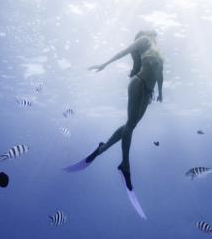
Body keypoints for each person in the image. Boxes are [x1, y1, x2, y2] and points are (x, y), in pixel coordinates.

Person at [64, 30, 164, 219]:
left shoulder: (158, 50)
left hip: (149, 92)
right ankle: (125, 165)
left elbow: (160, 73)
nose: (155, 34)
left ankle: (102, 149)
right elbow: (124, 52)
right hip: (139, 83)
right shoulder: (144, 40)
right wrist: (105, 64)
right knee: (130, 126)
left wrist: (161, 92)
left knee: (130, 126)